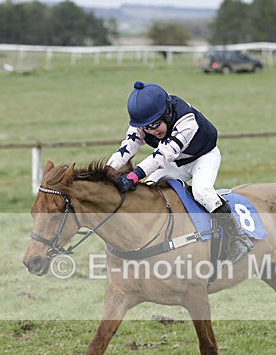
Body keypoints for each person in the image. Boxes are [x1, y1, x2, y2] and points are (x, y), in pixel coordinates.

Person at [107, 80, 253, 263]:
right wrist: (106, 173)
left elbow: (162, 155)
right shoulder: (143, 122)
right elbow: (127, 147)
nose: (152, 131)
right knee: (150, 188)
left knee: (202, 192)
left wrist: (134, 175)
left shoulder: (187, 121)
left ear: (167, 113)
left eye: (156, 125)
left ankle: (238, 237)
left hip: (204, 157)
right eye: (147, 127)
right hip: (177, 162)